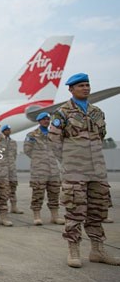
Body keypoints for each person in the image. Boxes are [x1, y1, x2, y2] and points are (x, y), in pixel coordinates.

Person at [49, 73, 120, 268]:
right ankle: (74, 251)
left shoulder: (97, 112)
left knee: (98, 210)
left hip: (97, 169)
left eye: (87, 85)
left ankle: (97, 250)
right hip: (75, 171)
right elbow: (54, 141)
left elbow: (101, 135)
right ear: (71, 89)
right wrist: (69, 160)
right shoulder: (62, 113)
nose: (85, 88)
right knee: (75, 210)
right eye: (80, 85)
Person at [24, 112, 64, 226]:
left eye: (48, 119)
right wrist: (39, 159)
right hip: (39, 169)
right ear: (39, 121)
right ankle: (37, 216)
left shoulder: (54, 135)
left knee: (54, 192)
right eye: (44, 119)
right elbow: (27, 150)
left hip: (53, 169)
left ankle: (55, 216)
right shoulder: (32, 134)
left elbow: (59, 149)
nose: (46, 121)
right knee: (38, 193)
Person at [1, 124, 23, 214]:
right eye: (6, 130)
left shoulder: (13, 142)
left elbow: (14, 155)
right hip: (2, 169)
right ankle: (3, 208)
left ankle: (14, 207)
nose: (8, 131)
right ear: (3, 131)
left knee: (13, 188)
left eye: (9, 130)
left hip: (11, 169)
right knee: (3, 189)